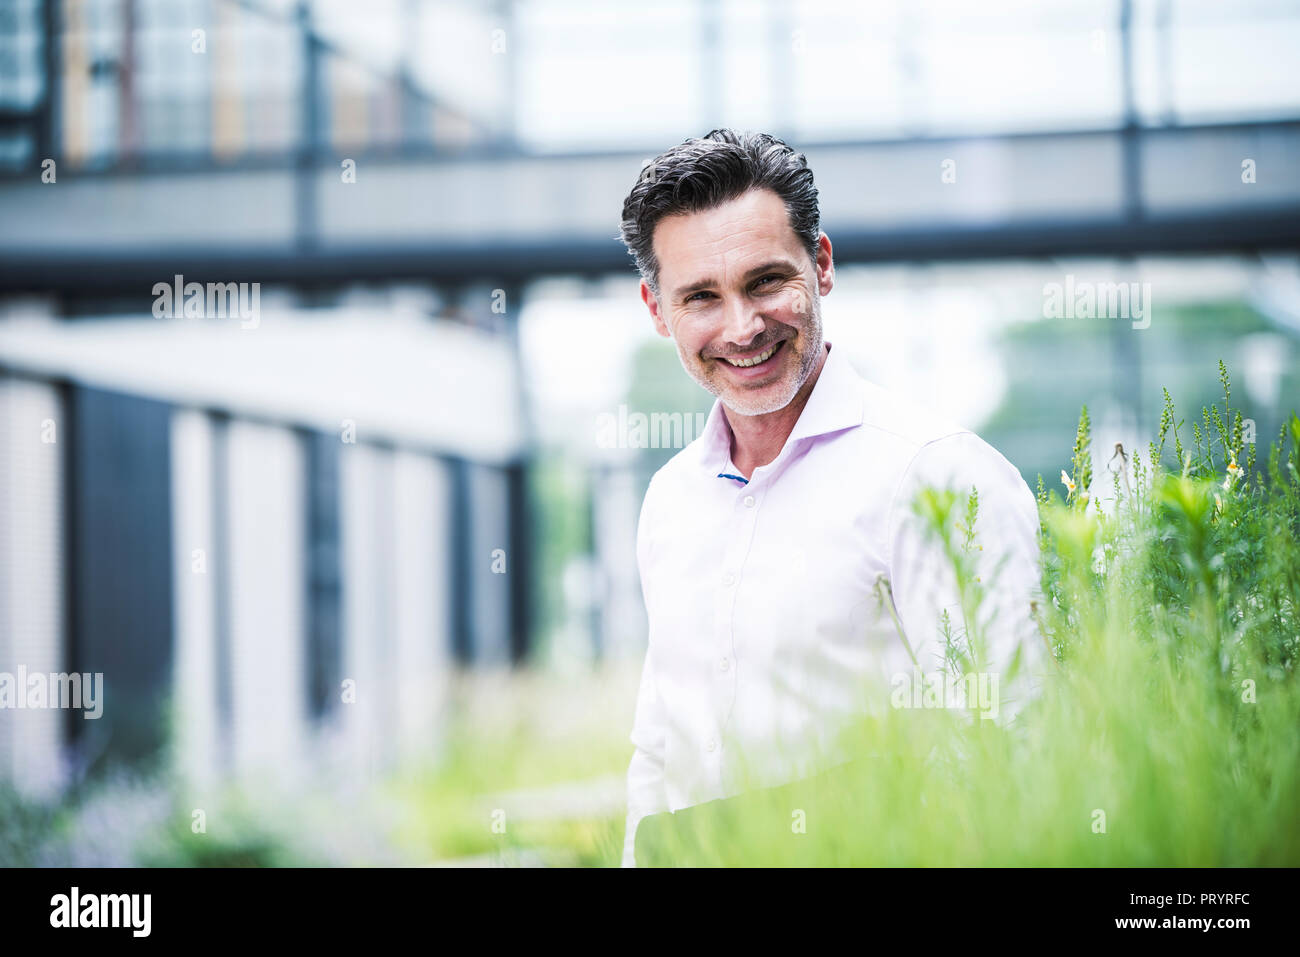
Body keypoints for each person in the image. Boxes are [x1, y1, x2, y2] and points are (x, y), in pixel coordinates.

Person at [616, 129, 1049, 867]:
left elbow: (1009, 736)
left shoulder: (936, 476)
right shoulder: (670, 501)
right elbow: (660, 749)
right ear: (658, 309)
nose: (743, 327)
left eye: (764, 282)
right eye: (701, 297)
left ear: (821, 264)